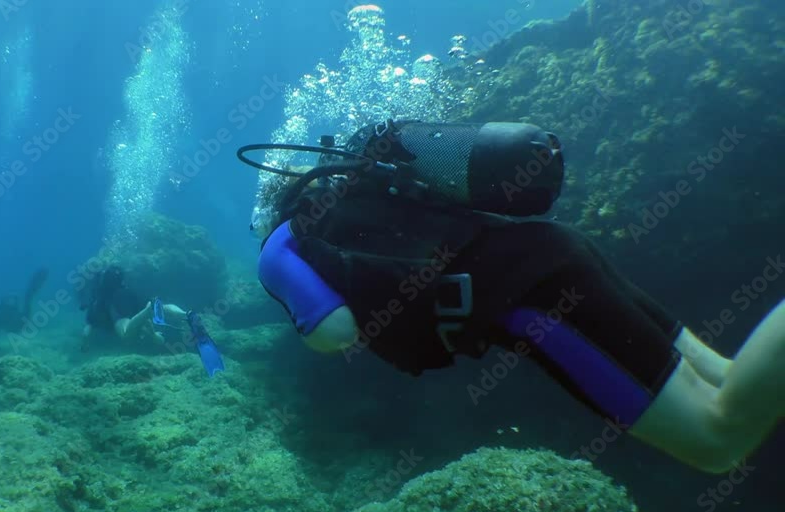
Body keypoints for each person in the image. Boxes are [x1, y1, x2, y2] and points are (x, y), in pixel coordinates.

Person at [242, 119, 782, 474]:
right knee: (726, 377)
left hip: (540, 300)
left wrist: (301, 318)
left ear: (269, 208)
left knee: (717, 439)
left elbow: (336, 333)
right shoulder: (355, 195)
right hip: (554, 252)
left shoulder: (278, 247)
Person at [77, 264, 226, 376]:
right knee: (161, 309)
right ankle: (186, 314)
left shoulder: (99, 301)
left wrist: (84, 347)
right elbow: (150, 331)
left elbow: (87, 330)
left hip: (121, 310)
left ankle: (149, 309)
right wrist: (154, 336)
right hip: (131, 298)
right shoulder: (125, 290)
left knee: (125, 334)